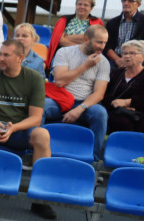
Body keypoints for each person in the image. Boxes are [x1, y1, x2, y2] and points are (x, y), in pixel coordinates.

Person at [0, 39, 54, 219]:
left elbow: (36, 118)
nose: (0, 58)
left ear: (20, 57)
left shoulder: (33, 78)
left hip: (17, 131)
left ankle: (40, 199)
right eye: (0, 54)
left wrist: (13, 128)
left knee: (42, 135)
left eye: (6, 55)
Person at [45, 25, 110, 161]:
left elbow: (99, 94)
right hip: (60, 100)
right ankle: (34, 151)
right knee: (41, 106)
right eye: (99, 42)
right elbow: (60, 81)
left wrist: (80, 109)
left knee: (101, 113)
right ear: (86, 40)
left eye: (104, 42)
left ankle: (94, 160)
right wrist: (85, 66)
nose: (102, 46)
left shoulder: (104, 62)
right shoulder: (65, 52)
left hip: (84, 103)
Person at [103, 40, 144, 136]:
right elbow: (106, 96)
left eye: (132, 53)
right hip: (118, 111)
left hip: (143, 113)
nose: (127, 56)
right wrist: (119, 105)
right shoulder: (116, 74)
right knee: (122, 121)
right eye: (125, 53)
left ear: (143, 57)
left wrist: (126, 102)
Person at [46, 0, 103, 71]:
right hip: (63, 54)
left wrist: (67, 37)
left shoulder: (97, 22)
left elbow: (93, 40)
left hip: (85, 57)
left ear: (91, 8)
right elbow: (59, 40)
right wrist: (82, 45)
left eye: (86, 5)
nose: (82, 7)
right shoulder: (64, 20)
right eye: (79, 4)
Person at [105, 0, 144, 70]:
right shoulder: (112, 23)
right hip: (115, 59)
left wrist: (134, 58)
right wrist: (118, 60)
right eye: (124, 0)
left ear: (138, 5)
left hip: (137, 59)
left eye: (131, 1)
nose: (126, 3)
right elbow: (107, 46)